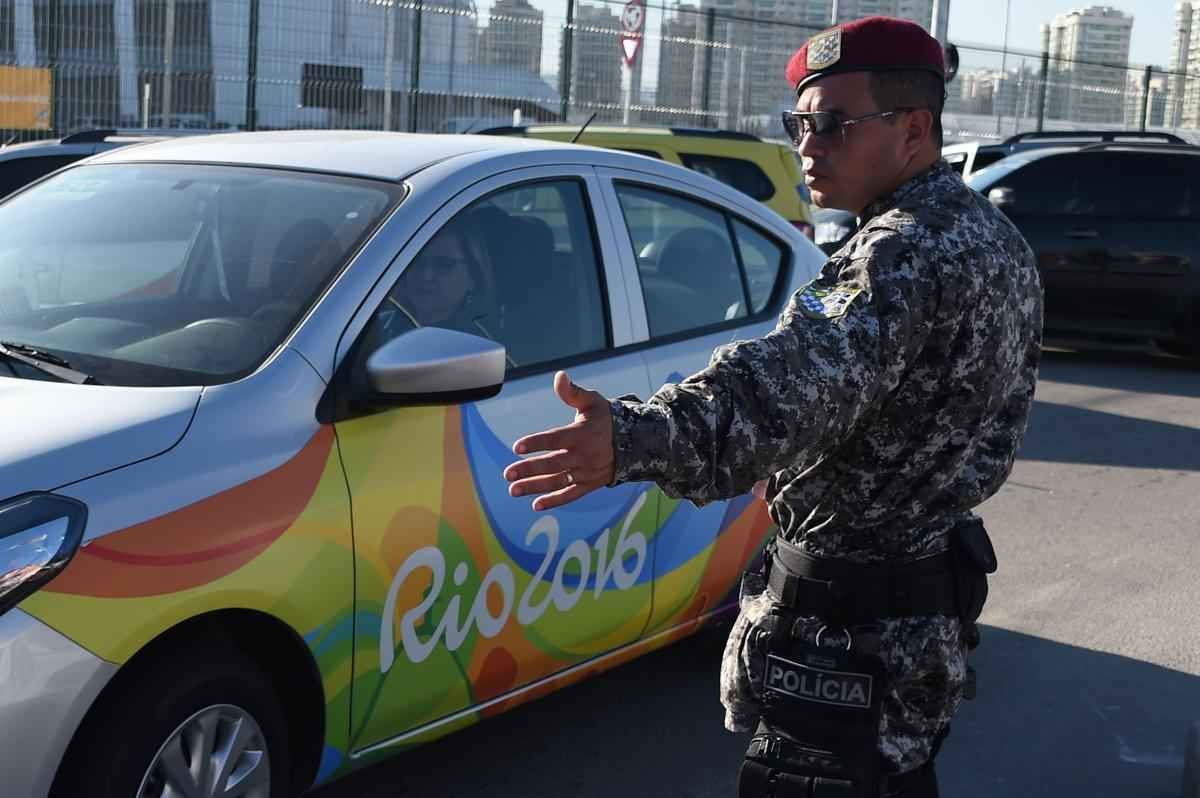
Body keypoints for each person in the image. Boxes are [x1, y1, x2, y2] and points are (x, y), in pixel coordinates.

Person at [503, 15, 1042, 798]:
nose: (807, 146)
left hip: (842, 647)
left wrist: (629, 438)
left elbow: (776, 391)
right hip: (915, 632)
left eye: (831, 124)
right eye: (799, 124)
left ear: (914, 128)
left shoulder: (901, 251)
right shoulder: (998, 243)